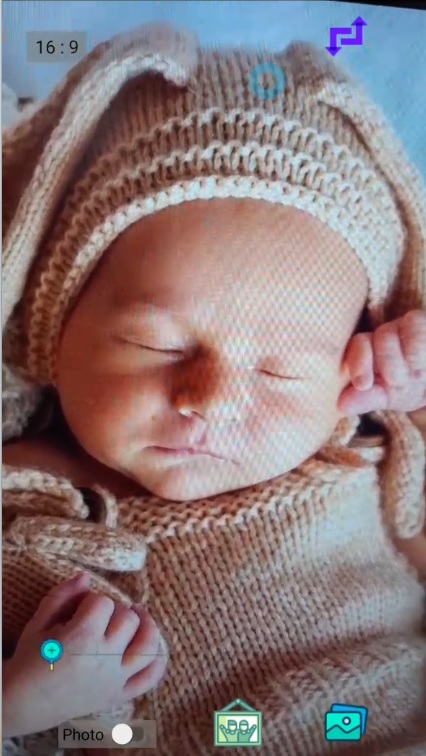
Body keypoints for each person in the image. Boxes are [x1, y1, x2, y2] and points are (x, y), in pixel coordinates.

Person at [2, 22, 426, 756]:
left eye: (280, 372)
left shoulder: (361, 451)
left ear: (347, 372)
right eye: (157, 345)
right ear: (55, 326)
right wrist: (22, 703)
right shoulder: (23, 500)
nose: (210, 400)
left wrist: (415, 400)